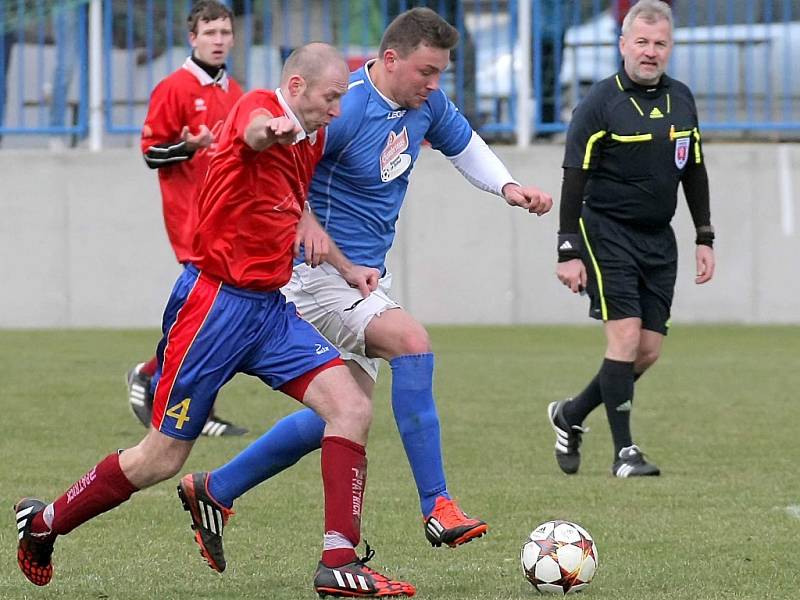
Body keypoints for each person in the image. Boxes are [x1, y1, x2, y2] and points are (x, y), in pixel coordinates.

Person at [14, 41, 415, 598]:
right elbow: (253, 130)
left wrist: (345, 266)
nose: (337, 109)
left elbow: (290, 200)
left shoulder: (313, 136)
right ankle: (43, 524)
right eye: (330, 97)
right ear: (296, 88)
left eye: (342, 98)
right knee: (160, 458)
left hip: (270, 313)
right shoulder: (257, 108)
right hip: (213, 310)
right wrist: (269, 129)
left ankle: (338, 561)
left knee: (350, 406)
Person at [174, 7, 552, 574]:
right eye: (426, 71)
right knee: (412, 342)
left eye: (441, 73)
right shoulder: (344, 104)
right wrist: (303, 219)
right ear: (391, 59)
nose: (434, 83)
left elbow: (465, 143)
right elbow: (284, 157)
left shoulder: (425, 107)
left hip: (364, 275)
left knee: (344, 409)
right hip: (320, 276)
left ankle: (217, 487)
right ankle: (437, 506)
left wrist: (509, 186)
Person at [548, 0, 715, 478]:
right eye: (641, 42)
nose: (650, 51)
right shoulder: (600, 103)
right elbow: (573, 179)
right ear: (623, 44)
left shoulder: (682, 99)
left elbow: (695, 171)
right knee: (623, 337)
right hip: (605, 233)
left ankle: (571, 414)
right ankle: (625, 454)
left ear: (671, 47)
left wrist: (705, 235)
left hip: (659, 240)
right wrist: (567, 248)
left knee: (647, 350)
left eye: (660, 43)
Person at [128, 0, 247, 437]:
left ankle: (155, 378)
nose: (218, 41)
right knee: (209, 316)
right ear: (192, 37)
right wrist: (189, 148)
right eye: (209, 33)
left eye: (225, 33)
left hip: (230, 223)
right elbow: (150, 153)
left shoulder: (235, 94)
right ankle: (176, 397)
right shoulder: (174, 87)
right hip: (193, 224)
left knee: (214, 318)